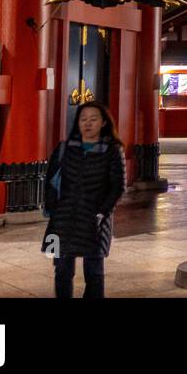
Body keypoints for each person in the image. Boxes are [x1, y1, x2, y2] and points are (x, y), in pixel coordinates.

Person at [42, 101, 126, 298]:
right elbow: (50, 181)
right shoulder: (64, 148)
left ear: (104, 122)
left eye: (93, 119)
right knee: (61, 271)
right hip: (63, 220)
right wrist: (53, 208)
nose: (88, 123)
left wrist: (102, 212)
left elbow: (118, 187)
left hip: (95, 220)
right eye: (83, 119)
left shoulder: (113, 150)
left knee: (94, 273)